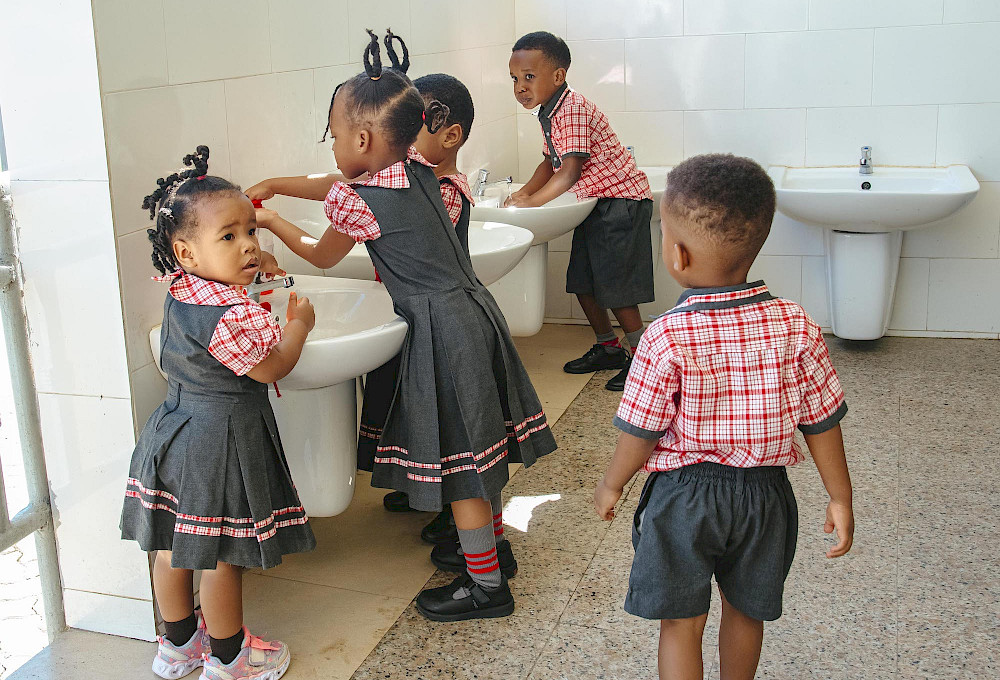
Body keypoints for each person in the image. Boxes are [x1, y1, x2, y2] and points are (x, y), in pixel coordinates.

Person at [255, 30, 556, 621]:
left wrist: (270, 221)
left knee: (464, 470)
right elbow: (338, 183)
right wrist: (280, 184)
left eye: (334, 136)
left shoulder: (363, 199)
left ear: (362, 140)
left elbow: (320, 255)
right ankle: (492, 551)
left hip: (440, 329)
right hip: (475, 311)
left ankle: (486, 587)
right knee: (480, 451)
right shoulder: (417, 167)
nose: (333, 146)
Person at [594, 154, 855, 680]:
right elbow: (823, 421)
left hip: (683, 499)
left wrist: (612, 483)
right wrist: (839, 497)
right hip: (765, 498)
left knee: (680, 622)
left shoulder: (665, 336)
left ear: (678, 254)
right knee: (746, 611)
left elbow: (640, 432)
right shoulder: (796, 324)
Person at [121, 146, 317, 680]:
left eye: (251, 231)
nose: (249, 244)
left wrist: (252, 271)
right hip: (220, 442)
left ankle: (177, 647)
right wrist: (299, 325)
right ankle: (231, 658)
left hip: (173, 432)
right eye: (229, 237)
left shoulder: (183, 289)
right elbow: (271, 368)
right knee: (221, 556)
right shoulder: (230, 312)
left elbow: (223, 292)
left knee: (172, 546)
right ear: (186, 252)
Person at [507, 30, 654, 391]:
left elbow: (570, 170)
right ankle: (609, 348)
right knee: (584, 282)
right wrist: (522, 194)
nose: (520, 87)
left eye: (529, 76)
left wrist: (533, 203)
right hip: (598, 202)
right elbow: (550, 163)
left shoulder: (572, 107)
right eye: (514, 78)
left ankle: (643, 362)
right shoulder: (550, 111)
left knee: (616, 287)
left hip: (621, 200)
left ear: (558, 76)